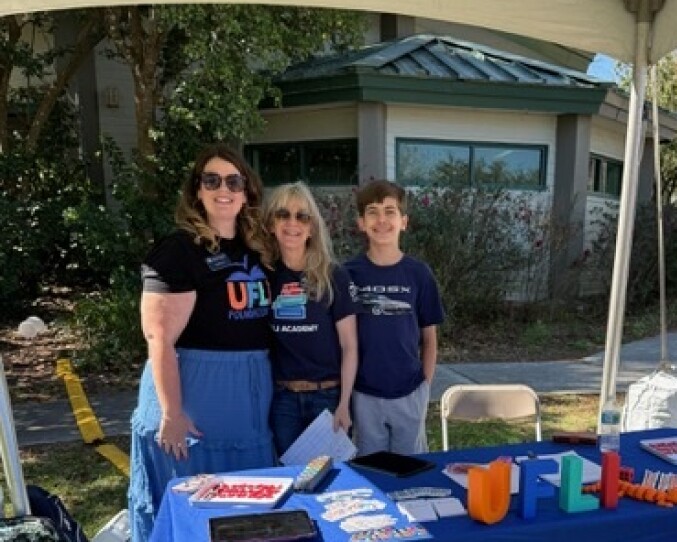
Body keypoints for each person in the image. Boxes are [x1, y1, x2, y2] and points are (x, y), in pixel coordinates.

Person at [128, 143, 275, 542]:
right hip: (193, 404)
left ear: (247, 191)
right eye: (211, 180)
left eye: (233, 180)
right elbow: (158, 337)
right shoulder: (178, 251)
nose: (222, 189)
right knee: (190, 517)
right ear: (197, 190)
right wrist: (172, 414)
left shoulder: (257, 247)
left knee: (248, 515)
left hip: (247, 408)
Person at [344, 180, 445, 455]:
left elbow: (429, 338)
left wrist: (424, 385)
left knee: (410, 470)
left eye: (390, 211)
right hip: (364, 393)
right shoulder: (348, 273)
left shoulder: (419, 273)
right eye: (373, 212)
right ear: (362, 223)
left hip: (410, 390)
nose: (382, 220)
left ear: (404, 221)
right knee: (371, 470)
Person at [263, 182, 358, 458]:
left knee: (332, 485)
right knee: (291, 482)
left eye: (302, 216)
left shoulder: (333, 276)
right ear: (271, 223)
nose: (292, 223)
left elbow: (350, 346)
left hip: (327, 397)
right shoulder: (264, 276)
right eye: (283, 214)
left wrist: (344, 404)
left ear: (312, 227)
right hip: (283, 400)